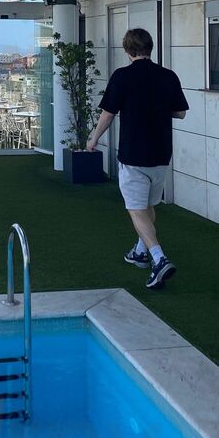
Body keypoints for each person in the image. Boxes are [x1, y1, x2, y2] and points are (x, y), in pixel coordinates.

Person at [87, 27, 188, 290]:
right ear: (149, 47)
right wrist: (158, 108)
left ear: (127, 50)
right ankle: (140, 251)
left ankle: (159, 258)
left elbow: (108, 114)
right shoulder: (168, 76)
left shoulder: (122, 76)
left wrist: (94, 139)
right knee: (148, 206)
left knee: (135, 209)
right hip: (161, 153)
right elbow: (180, 113)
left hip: (133, 154)